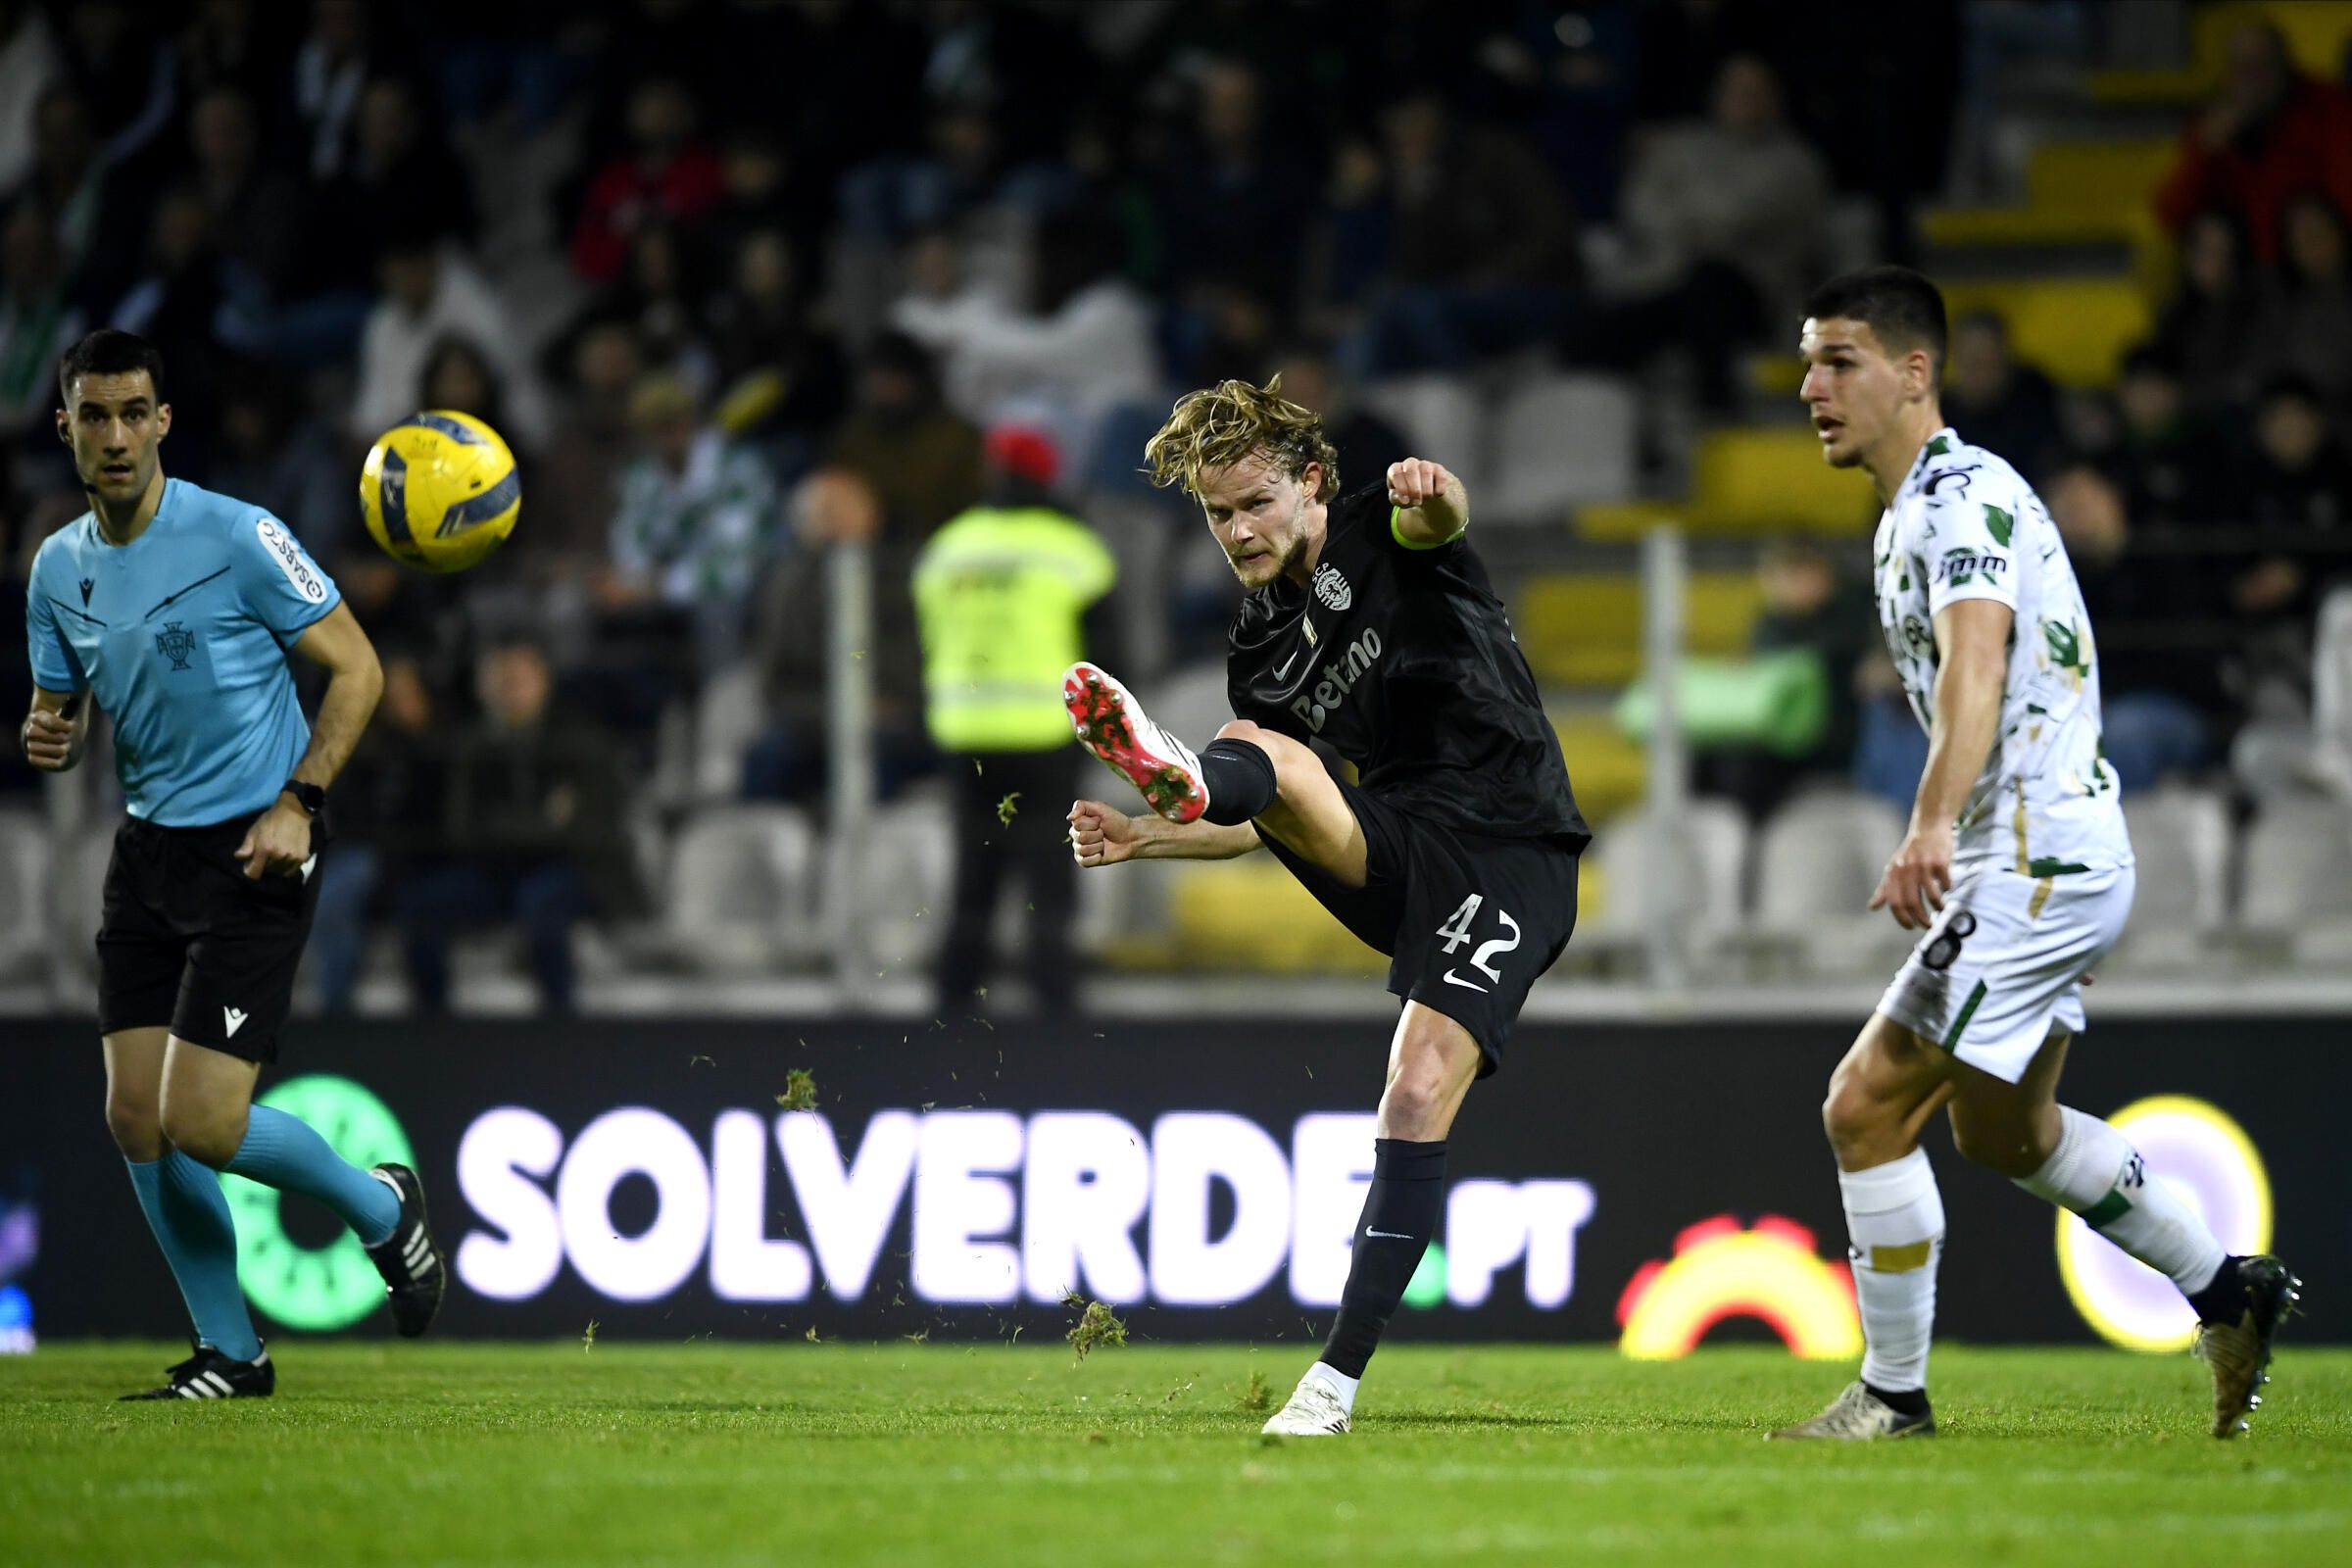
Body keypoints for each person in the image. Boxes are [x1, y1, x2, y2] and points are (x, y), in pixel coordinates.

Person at [1772, 269, 2297, 1443]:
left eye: (1840, 360)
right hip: (2045, 854)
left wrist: (1930, 827)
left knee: (1863, 1107)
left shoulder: (1960, 496)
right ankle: (2229, 1290)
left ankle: (1893, 1396)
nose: (1812, 387)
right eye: (1808, 363)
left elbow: (1980, 661)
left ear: (1916, 372)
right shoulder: (1907, 515)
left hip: (2030, 851)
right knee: (2006, 1133)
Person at [1062, 377, 1590, 1435]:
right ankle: (1185, 776)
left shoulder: (1380, 531)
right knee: (1260, 748)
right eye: (1218, 514)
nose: (1238, 532)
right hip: (1394, 843)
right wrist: (1148, 835)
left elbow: (1438, 522)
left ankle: (1332, 1384)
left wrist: (1436, 491)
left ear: (1311, 482)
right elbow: (1277, 812)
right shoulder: (1258, 650)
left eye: (1257, 503)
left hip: (1509, 849)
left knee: (1415, 1091)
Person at [19, 329, 443, 1399]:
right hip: (148, 853)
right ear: (65, 427)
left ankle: (383, 1206)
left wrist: (302, 802)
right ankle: (233, 1354)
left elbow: (358, 668)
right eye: (95, 415)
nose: (117, 436)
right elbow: (62, 704)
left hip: (259, 848)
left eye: (134, 413)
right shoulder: (55, 569)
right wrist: (50, 730)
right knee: (134, 1116)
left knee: (202, 1123)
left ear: (163, 422)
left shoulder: (241, 534)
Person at [912, 422, 1117, 1017]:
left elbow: (922, 641)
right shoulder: (1073, 548)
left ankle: (954, 1002)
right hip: (1045, 733)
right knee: (1049, 871)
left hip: (965, 731)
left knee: (974, 870)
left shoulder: (949, 546)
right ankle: (1054, 1003)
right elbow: (1108, 651)